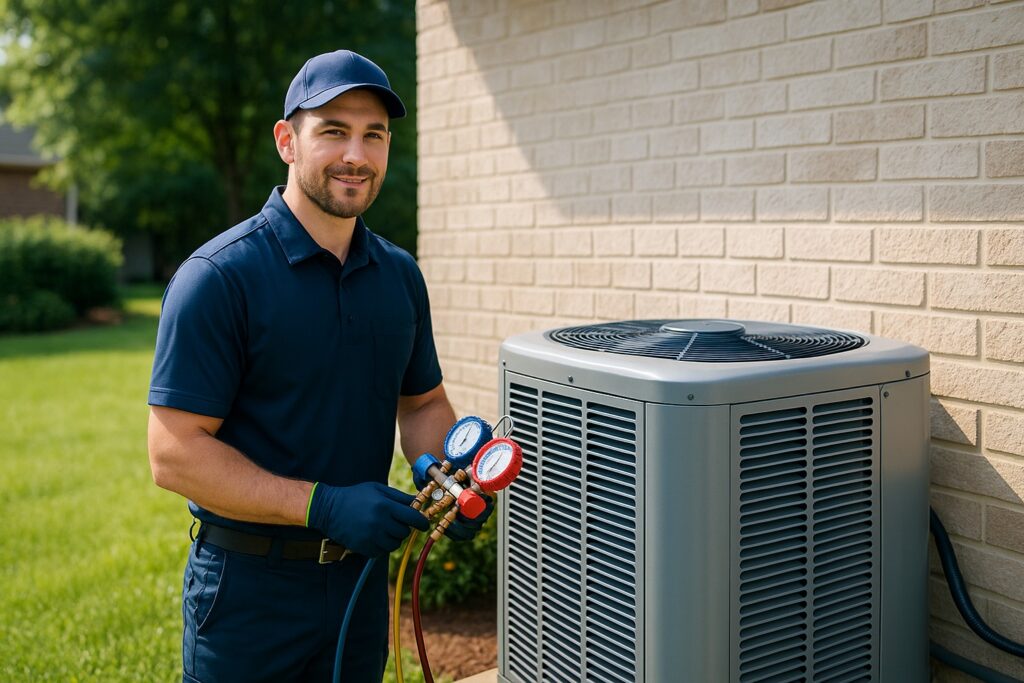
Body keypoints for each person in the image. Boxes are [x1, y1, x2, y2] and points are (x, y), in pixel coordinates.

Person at [147, 49, 490, 683]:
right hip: (249, 591)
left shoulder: (400, 276)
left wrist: (451, 476)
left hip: (359, 585)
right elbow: (174, 454)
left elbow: (420, 405)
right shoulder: (219, 279)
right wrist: (323, 506)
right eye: (333, 130)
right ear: (287, 140)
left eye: (374, 134)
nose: (355, 154)